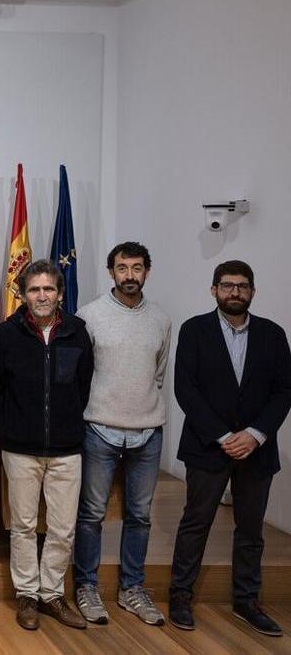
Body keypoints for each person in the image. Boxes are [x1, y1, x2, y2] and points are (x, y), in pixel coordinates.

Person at [168, 260, 291, 636]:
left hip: (257, 449)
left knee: (251, 529)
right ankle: (180, 596)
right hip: (208, 446)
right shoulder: (194, 330)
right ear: (213, 290)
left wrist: (254, 434)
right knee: (195, 522)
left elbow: (284, 389)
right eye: (226, 285)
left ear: (252, 291)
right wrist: (223, 436)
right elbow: (186, 389)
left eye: (241, 286)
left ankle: (246, 601)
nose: (234, 291)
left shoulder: (272, 334)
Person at [0, 258, 93, 631]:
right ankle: (27, 595)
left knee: (63, 528)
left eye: (48, 289)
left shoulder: (78, 332)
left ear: (60, 294)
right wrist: (13, 428)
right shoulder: (3, 336)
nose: (42, 295)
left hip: (66, 449)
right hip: (20, 448)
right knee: (24, 525)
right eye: (34, 289)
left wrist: (65, 425)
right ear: (23, 294)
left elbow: (83, 387)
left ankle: (52, 595)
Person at [73, 242, 171, 627]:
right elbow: (82, 374)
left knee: (140, 516)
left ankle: (132, 589)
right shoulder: (90, 316)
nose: (129, 275)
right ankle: (86, 586)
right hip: (99, 428)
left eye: (136, 268)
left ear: (147, 271)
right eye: (122, 268)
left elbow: (158, 373)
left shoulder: (161, 320)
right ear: (110, 272)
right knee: (91, 514)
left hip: (147, 431)